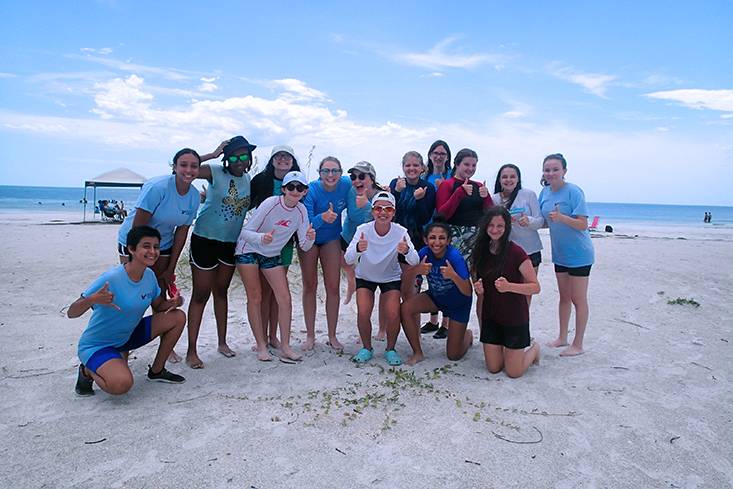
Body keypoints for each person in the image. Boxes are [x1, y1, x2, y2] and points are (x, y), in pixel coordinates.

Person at [70, 226, 186, 396]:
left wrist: (175, 302)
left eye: (156, 247)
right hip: (98, 344)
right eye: (146, 246)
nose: (152, 251)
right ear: (131, 249)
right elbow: (72, 312)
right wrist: (92, 299)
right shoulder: (112, 278)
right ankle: (86, 371)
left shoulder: (149, 276)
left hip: (128, 336)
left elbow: (160, 307)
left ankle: (157, 371)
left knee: (177, 317)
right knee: (121, 385)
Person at [117, 148, 202, 363]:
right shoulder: (157, 187)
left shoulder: (193, 196)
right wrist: (139, 258)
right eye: (183, 164)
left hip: (163, 244)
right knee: (133, 296)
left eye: (194, 166)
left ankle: (166, 346)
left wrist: (170, 268)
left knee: (161, 297)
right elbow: (138, 227)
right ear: (174, 167)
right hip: (135, 241)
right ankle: (121, 347)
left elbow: (182, 232)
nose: (188, 170)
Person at [185, 136, 255, 369]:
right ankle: (192, 350)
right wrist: (213, 154)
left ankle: (222, 343)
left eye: (243, 156)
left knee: (221, 291)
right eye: (233, 156)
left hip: (229, 243)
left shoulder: (249, 180)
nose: (238, 160)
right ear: (227, 158)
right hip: (204, 239)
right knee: (200, 295)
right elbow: (187, 168)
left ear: (249, 159)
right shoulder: (216, 171)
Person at [234, 171, 315, 362]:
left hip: (271, 254)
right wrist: (262, 238)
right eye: (291, 187)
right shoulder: (271, 203)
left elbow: (304, 245)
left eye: (300, 188)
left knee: (285, 299)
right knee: (255, 297)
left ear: (305, 191)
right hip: (249, 250)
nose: (295, 191)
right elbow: (245, 232)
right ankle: (261, 345)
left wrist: (311, 238)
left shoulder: (301, 211)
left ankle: (285, 347)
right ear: (284, 189)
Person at [344, 191, 419, 365]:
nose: (383, 212)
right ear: (372, 211)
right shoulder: (363, 230)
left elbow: (414, 261)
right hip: (365, 276)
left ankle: (390, 349)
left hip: (390, 276)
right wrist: (357, 248)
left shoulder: (400, 231)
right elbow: (348, 259)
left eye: (388, 209)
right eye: (378, 208)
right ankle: (367, 348)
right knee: (363, 312)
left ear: (393, 213)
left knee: (393, 314)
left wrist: (406, 250)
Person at [471, 207, 541, 378]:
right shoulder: (480, 251)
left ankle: (535, 349)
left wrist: (510, 287)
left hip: (514, 317)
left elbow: (535, 287)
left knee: (513, 372)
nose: (495, 230)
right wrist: (477, 288)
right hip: (491, 316)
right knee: (494, 368)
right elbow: (476, 278)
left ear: (507, 227)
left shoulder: (516, 252)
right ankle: (508, 352)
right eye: (491, 225)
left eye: (500, 226)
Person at [539, 153, 594, 357]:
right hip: (560, 254)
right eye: (547, 170)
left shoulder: (573, 192)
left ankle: (578, 344)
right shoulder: (544, 193)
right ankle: (562, 337)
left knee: (578, 300)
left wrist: (562, 218)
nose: (551, 173)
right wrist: (525, 222)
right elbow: (545, 221)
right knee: (564, 297)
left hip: (580, 253)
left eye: (555, 169)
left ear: (564, 171)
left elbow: (582, 224)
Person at [400, 214, 473, 366]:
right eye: (432, 237)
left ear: (448, 240)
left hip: (458, 305)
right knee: (405, 308)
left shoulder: (455, 256)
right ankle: (417, 352)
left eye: (442, 238)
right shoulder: (424, 253)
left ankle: (468, 336)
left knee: (454, 355)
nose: (437, 242)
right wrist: (416, 270)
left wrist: (454, 276)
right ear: (426, 240)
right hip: (436, 297)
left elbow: (468, 291)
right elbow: (404, 278)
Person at [434, 148, 492, 338]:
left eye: (473, 165)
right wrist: (459, 193)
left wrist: (487, 197)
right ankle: (448, 326)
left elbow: (491, 215)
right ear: (457, 164)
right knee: (454, 285)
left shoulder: (478, 185)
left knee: (480, 285)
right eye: (466, 164)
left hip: (477, 240)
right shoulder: (448, 185)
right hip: (455, 239)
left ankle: (486, 331)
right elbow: (441, 215)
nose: (470, 168)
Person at [249, 145, 302, 349]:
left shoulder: (297, 182)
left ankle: (273, 336)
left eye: (287, 156)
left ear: (292, 161)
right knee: (263, 291)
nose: (282, 159)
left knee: (276, 292)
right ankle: (261, 336)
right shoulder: (261, 181)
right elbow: (245, 203)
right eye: (278, 156)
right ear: (272, 161)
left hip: (285, 243)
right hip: (262, 243)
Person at [300, 156, 351, 351]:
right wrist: (323, 217)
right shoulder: (312, 190)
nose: (331, 175)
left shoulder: (345, 184)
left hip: (331, 239)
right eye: (326, 171)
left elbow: (365, 184)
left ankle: (332, 335)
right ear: (320, 173)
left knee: (333, 286)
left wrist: (385, 191)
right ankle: (310, 336)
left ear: (341, 173)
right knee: (310, 285)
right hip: (310, 238)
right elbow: (307, 222)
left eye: (335, 171)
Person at [491, 164, 543, 306]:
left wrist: (529, 220)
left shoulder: (528, 194)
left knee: (527, 293)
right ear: (499, 180)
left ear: (518, 179)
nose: (509, 180)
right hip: (507, 252)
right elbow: (492, 227)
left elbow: (540, 221)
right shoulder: (495, 199)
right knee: (507, 292)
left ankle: (523, 325)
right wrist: (505, 221)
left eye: (512, 176)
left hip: (531, 250)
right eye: (505, 177)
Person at [421, 140, 453, 336]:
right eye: (435, 153)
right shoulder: (425, 177)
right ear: (430, 155)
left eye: (442, 153)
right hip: (426, 229)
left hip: (446, 230)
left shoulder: (452, 176)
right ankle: (433, 320)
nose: (439, 156)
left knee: (445, 276)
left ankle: (445, 323)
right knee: (430, 276)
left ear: (447, 156)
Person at [341, 161, 382, 306]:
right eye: (353, 176)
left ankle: (358, 289)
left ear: (372, 178)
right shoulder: (350, 188)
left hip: (368, 241)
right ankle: (352, 284)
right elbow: (332, 178)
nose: (357, 180)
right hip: (348, 234)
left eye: (362, 176)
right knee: (344, 262)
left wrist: (366, 206)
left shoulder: (381, 196)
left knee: (367, 277)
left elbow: (377, 222)